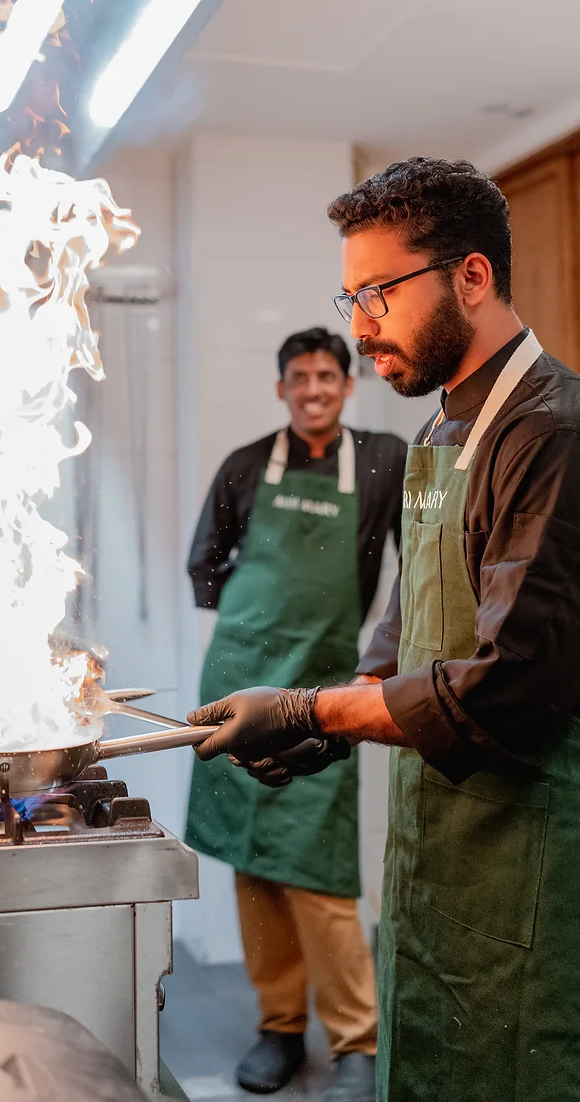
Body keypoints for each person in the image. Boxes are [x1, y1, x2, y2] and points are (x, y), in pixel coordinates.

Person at [188, 157, 580, 1102]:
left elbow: (511, 684)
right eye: (350, 294)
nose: (361, 327)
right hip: (434, 857)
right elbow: (405, 632)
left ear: (472, 277)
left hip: (522, 862)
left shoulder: (552, 434)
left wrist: (316, 709)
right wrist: (323, 725)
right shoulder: (440, 433)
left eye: (378, 294)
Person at [185, 327, 406, 1099]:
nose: (313, 389)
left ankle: (356, 1043)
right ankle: (278, 1028)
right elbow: (204, 567)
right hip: (240, 685)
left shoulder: (381, 459)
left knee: (319, 874)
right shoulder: (247, 465)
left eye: (326, 376)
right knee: (254, 868)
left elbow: (418, 560)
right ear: (281, 388)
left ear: (348, 387)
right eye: (298, 378)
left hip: (320, 691)